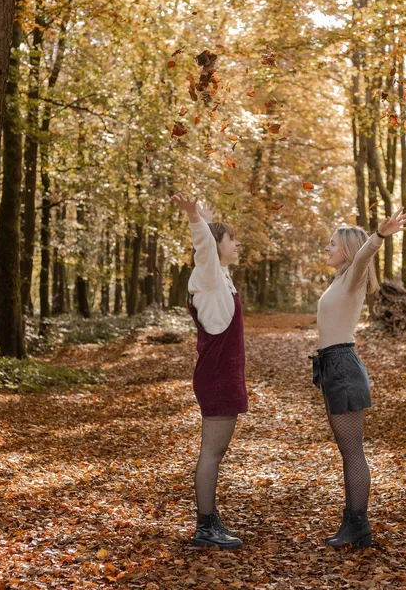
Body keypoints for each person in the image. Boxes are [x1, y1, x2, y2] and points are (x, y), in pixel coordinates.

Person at [311, 207, 406, 549]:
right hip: (333, 365)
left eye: (333, 243)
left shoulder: (354, 276)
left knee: (353, 452)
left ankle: (358, 526)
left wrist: (379, 235)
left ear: (348, 250)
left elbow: (365, 255)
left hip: (342, 366)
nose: (327, 248)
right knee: (348, 451)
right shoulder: (339, 280)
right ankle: (352, 523)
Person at [171, 193, 247, 550]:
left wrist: (205, 218)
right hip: (217, 377)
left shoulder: (220, 279)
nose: (237, 244)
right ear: (218, 246)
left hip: (221, 375)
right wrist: (195, 220)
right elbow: (204, 248)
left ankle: (209, 520)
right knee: (212, 453)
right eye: (231, 239)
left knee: (213, 453)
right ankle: (205, 526)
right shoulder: (209, 275)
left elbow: (209, 251)